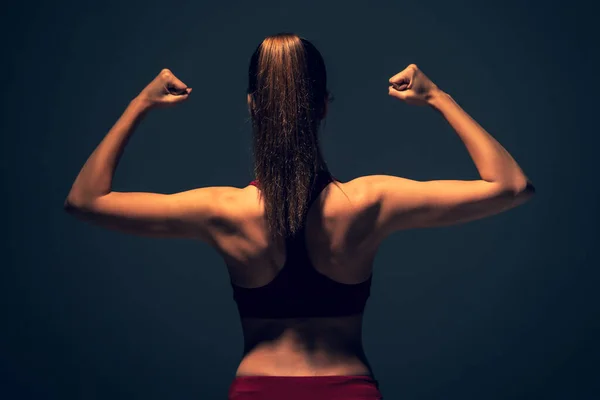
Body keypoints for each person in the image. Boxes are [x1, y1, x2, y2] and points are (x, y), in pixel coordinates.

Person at [64, 33, 535, 400]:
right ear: (323, 106)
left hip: (256, 391)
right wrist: (438, 97)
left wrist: (139, 104)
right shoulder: (368, 203)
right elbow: (510, 186)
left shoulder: (223, 210)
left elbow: (85, 199)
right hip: (348, 390)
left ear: (253, 105)